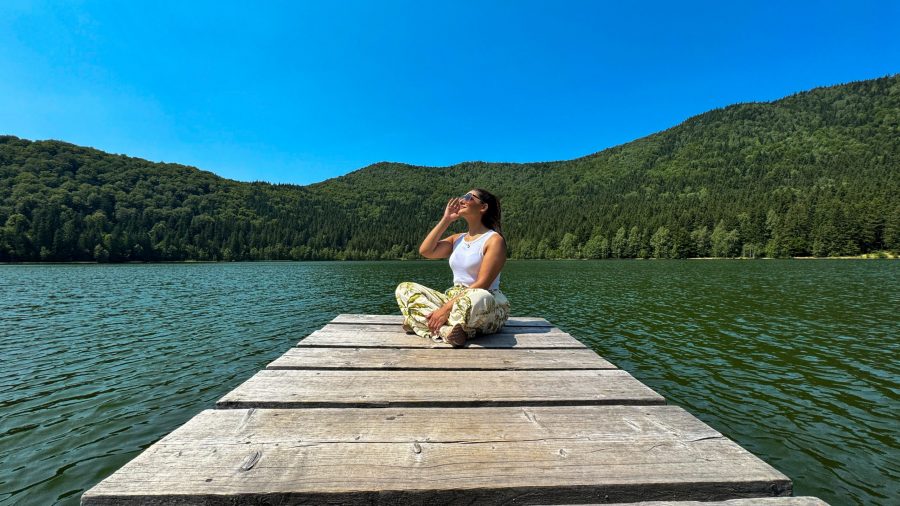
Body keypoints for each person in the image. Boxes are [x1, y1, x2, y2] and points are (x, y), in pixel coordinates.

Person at [395, 189, 510, 347]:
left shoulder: (494, 240)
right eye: (463, 196)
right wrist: (446, 220)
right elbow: (426, 251)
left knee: (479, 297)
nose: (462, 200)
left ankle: (421, 321)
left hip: (484, 301)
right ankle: (447, 330)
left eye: (469, 197)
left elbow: (483, 284)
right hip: (455, 297)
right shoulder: (458, 238)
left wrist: (444, 309)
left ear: (483, 207)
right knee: (404, 288)